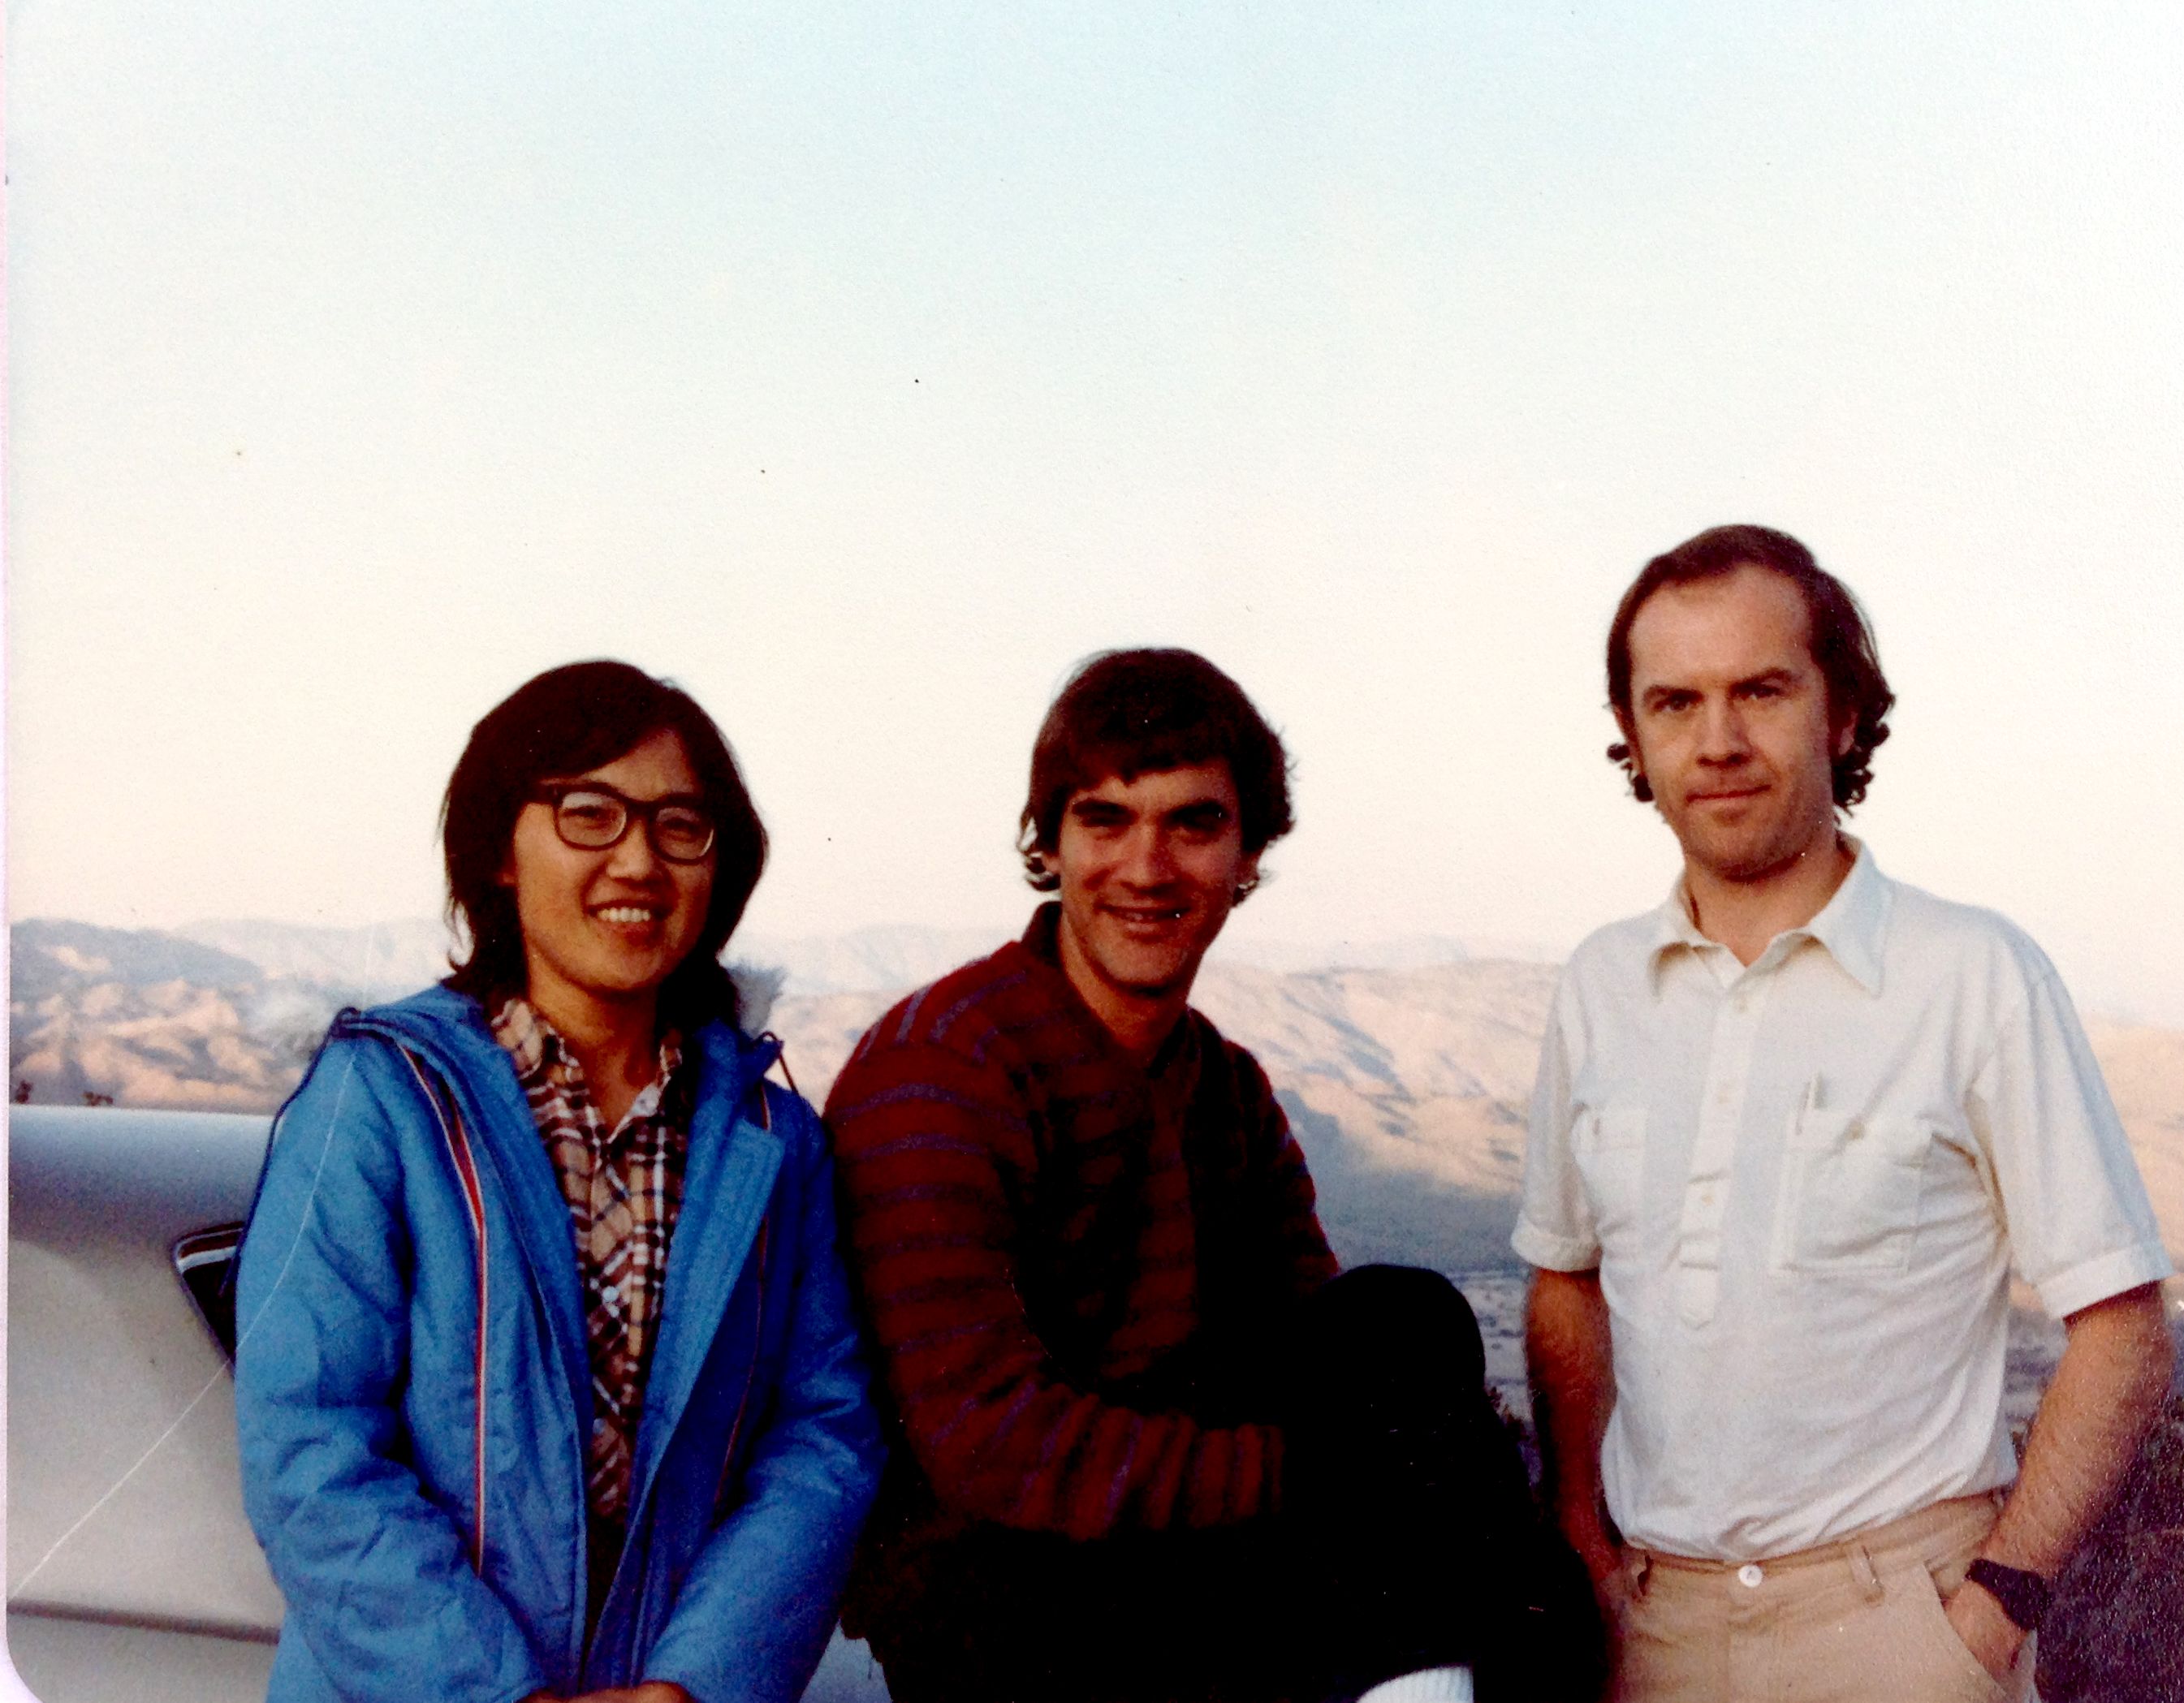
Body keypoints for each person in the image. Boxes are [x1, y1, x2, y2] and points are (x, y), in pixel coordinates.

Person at [823, 648, 1599, 1703]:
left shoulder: (1223, 1086)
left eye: (1192, 823)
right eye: (1104, 818)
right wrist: (1318, 1479)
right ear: (1047, 845)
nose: (1146, 867)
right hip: (998, 1588)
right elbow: (985, 1441)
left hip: (1185, 1540)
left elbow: (1326, 1350)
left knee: (1404, 1321)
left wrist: (1386, 1467)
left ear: (1246, 856)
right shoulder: (945, 1067)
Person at [1517, 528, 2176, 1703]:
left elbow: (2120, 1324)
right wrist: (1582, 1534)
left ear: (1839, 713)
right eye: (1673, 702)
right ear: (1632, 733)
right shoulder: (1598, 985)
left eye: (1759, 691)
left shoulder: (1971, 973)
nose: (1716, 741)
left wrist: (1989, 1613)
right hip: (1651, 1634)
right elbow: (1563, 1279)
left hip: (1901, 1630)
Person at [234, 661, 885, 1703]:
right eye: (588, 812)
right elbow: (309, 1440)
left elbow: (824, 1434)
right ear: (498, 846)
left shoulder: (770, 1136)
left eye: (681, 823)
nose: (638, 858)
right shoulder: (383, 1096)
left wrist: (692, 1685)